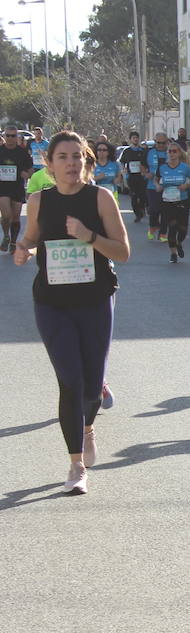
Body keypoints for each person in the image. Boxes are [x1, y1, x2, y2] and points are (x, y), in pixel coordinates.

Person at [12, 130, 131, 494]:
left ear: (87, 161)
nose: (71, 163)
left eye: (77, 156)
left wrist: (88, 236)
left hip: (95, 299)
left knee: (92, 387)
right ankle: (76, 465)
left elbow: (123, 252)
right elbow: (31, 237)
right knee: (70, 382)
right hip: (52, 302)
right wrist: (23, 249)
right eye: (62, 157)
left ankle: (89, 425)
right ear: (48, 164)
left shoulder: (101, 198)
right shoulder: (38, 201)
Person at [154, 141, 190, 263]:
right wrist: (158, 186)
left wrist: (186, 186)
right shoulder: (162, 168)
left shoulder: (185, 168)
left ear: (179, 153)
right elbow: (156, 180)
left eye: (174, 151)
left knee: (182, 229)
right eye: (169, 151)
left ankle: (179, 242)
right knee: (171, 227)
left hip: (182, 200)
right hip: (167, 201)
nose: (171, 154)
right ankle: (173, 254)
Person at [0, 125, 35, 253]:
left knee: (15, 218)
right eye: (7, 135)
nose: (10, 138)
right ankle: (6, 236)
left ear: (17, 137)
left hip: (17, 188)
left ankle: (13, 242)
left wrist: (27, 175)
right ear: (4, 136)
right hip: (2, 188)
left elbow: (31, 171)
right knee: (6, 216)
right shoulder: (1, 151)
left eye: (13, 136)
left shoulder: (22, 153)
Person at [118, 131, 149, 224]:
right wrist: (124, 171)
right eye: (133, 138)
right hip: (131, 176)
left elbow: (147, 163)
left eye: (137, 138)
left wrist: (146, 171)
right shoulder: (127, 151)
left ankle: (142, 208)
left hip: (141, 176)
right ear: (130, 139)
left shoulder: (142, 151)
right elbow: (122, 162)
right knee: (134, 195)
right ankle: (137, 214)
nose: (135, 139)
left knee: (142, 195)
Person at [145, 133, 170, 241]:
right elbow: (142, 166)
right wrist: (146, 174)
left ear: (167, 142)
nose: (160, 145)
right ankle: (152, 227)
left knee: (165, 211)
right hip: (152, 186)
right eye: (158, 143)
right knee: (154, 209)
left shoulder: (171, 153)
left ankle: (163, 233)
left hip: (167, 186)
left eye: (163, 143)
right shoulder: (149, 152)